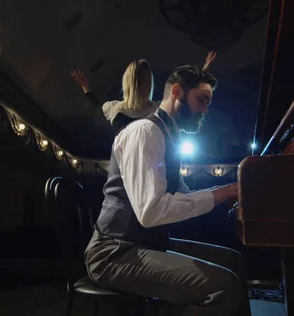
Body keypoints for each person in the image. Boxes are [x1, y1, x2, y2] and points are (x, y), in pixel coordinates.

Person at [84, 65, 251, 316]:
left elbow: (182, 196)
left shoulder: (168, 136)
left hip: (146, 244)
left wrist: (225, 192)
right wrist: (218, 194)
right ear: (176, 92)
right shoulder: (145, 131)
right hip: (113, 254)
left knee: (233, 260)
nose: (205, 109)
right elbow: (150, 212)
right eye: (201, 99)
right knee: (223, 287)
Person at [71, 51, 217, 131]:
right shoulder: (157, 109)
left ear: (125, 82)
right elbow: (184, 95)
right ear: (150, 84)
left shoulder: (114, 108)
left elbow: (95, 108)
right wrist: (202, 73)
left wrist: (86, 87)